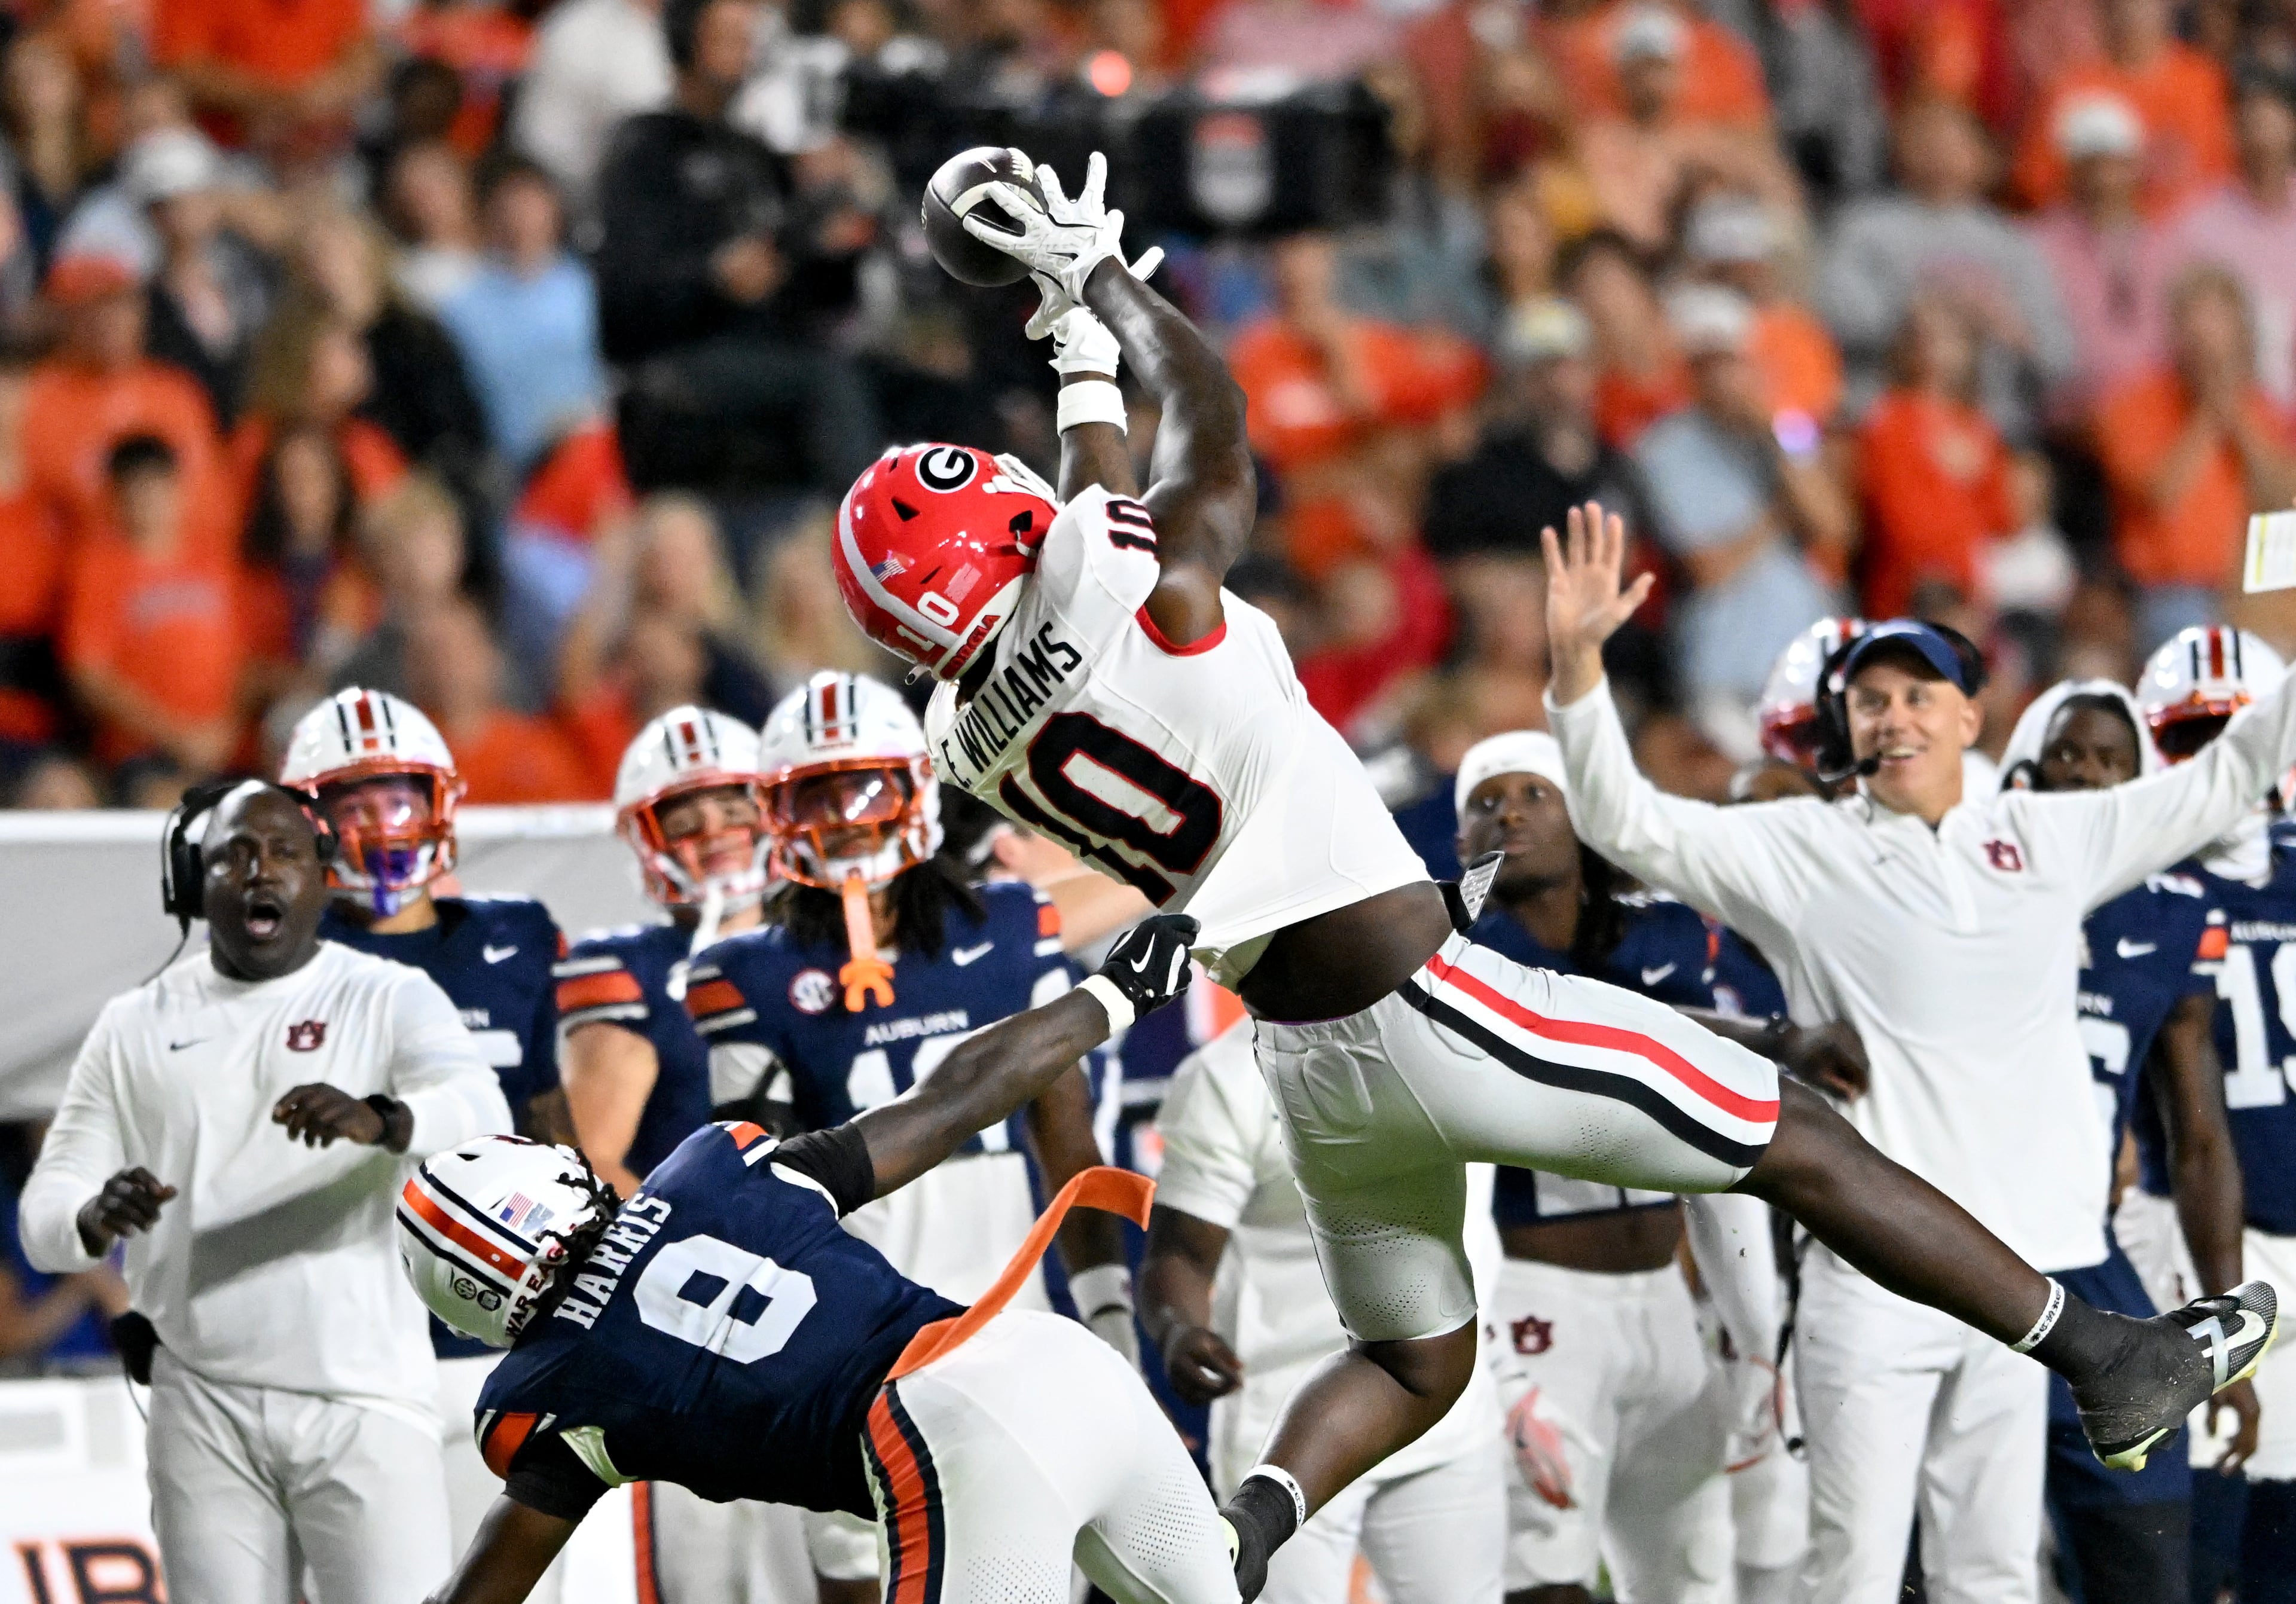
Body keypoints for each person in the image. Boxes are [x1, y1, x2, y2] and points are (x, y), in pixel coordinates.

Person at [839, 151, 2274, 1600]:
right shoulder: (1141, 581)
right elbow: (1209, 441)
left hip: (1308, 1059)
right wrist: (1104, 284)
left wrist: (1080, 362)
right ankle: (2105, 1356)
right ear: (1014, 534)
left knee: (1411, 1356)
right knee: (1792, 1136)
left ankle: (1243, 1532)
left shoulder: (968, 738)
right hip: (1425, 998)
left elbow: (1092, 530)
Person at [1540, 510, 2296, 1602]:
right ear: (1845, 722)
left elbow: (2223, 782)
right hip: (1874, 1282)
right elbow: (1624, 819)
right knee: (1852, 1574)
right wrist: (1576, 667)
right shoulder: (1801, 847)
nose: (1893, 716)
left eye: (1918, 695)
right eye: (1871, 699)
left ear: (1971, 714)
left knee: (1989, 1572)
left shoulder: (2044, 837)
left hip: (2024, 1277)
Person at [401, 914, 1220, 1604]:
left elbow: (480, 1595)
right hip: (1053, 1357)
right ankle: (1270, 1500)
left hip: (947, 1438)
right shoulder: (709, 1172)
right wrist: (1115, 992)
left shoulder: (555, 1398)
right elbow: (953, 1097)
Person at [691, 670, 1136, 1596]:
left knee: (1033, 1568)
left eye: (866, 786)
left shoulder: (1013, 924)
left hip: (1003, 1318)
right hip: (847, 1338)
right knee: (863, 1576)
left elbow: (1068, 1139)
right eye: (818, 793)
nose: (848, 817)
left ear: (917, 786)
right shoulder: (745, 970)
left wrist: (1107, 1308)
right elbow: (749, 1193)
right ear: (778, 807)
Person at [16, 781, 512, 1603]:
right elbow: (46, 1214)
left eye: (284, 851)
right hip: (201, 1401)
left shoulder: (387, 996)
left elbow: (481, 1114)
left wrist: (382, 1118)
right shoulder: (133, 1022)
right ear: (193, 882)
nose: (260, 871)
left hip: (365, 1399)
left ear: (324, 874)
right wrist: (93, 1214)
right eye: (234, 855)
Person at [1443, 729, 1815, 1604]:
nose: (1511, 809)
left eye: (1537, 790)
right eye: (1487, 798)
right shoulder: (1456, 961)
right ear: (1461, 840)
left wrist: (1757, 1339)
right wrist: (1495, 1367)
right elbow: (1443, 1181)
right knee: (1545, 1573)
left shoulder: (1668, 938)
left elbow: (1728, 1154)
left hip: (1668, 1303)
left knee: (1692, 1571)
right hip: (1539, 1302)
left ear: (1586, 811)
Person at [280, 685, 575, 1590]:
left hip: (504, 1335)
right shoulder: (278, 962)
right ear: (307, 821)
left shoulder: (512, 935)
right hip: (352, 1349)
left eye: (396, 798)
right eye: (351, 803)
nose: (379, 825)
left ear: (438, 802)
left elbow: (551, 1130)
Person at [2000, 676, 2251, 1604]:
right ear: (2029, 768)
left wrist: (2229, 1329)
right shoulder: (1969, 882)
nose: (2088, 774)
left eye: (2112, 758)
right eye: (2069, 751)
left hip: (2089, 1249)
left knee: (2147, 1542)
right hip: (1951, 1239)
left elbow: (2200, 1138)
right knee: (1961, 1559)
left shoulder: (2170, 911)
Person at [1141, 1016, 1506, 1604]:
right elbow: (1179, 1255)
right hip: (1288, 1435)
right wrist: (1179, 1329)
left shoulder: (1465, 1023)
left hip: (1451, 1418)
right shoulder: (1229, 1074)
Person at [552, 702, 783, 1604]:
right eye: (684, 820)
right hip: (704, 1311)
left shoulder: (831, 935)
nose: (716, 836)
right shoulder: (634, 967)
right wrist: (716, 1259)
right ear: (646, 838)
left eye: (732, 809)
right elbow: (592, 1159)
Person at [2128, 626, 2296, 1603]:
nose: (2227, 758)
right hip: (2187, 1239)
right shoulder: (2129, 885)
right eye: (2196, 735)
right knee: (2191, 1552)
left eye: (2245, 729)